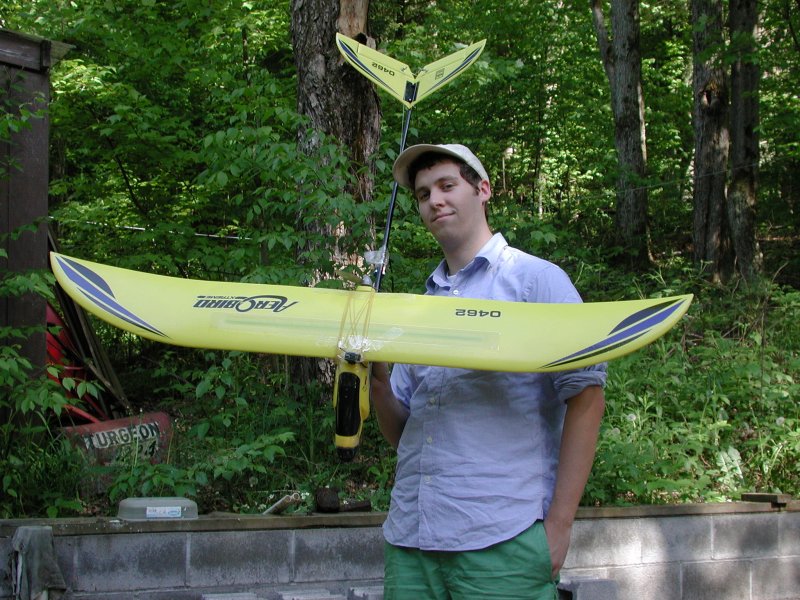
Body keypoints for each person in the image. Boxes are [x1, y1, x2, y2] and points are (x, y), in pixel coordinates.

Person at [369, 144, 607, 599]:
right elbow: (405, 433)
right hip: (410, 540)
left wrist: (560, 525)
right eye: (422, 194)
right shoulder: (419, 309)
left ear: (483, 190)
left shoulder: (537, 281)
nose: (434, 200)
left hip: (504, 539)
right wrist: (378, 384)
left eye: (447, 185)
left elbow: (587, 399)